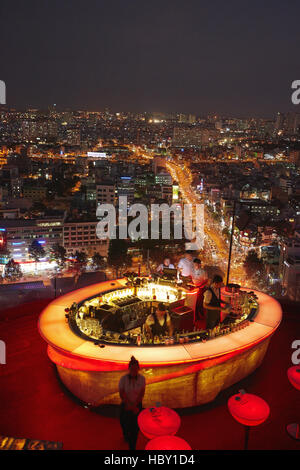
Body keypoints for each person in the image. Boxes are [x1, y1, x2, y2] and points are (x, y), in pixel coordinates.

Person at [119, 356, 146, 450]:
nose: (134, 370)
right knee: (124, 424)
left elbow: (141, 394)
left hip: (137, 405)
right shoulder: (123, 379)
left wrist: (135, 406)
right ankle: (126, 436)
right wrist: (131, 406)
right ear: (129, 369)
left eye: (136, 368)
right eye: (132, 368)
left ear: (138, 369)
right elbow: (122, 395)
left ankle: (132, 448)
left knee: (135, 429)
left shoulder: (142, 379)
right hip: (126, 405)